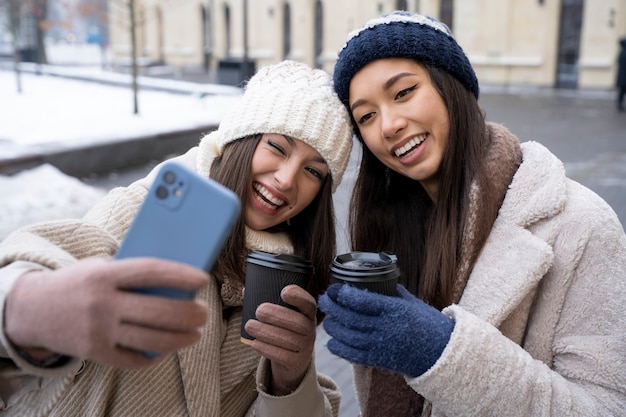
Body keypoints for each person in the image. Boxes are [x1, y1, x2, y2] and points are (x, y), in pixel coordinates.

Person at [0, 60, 353, 417]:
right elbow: (34, 256)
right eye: (277, 147)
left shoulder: (283, 280)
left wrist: (289, 382)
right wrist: (28, 307)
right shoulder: (149, 210)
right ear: (240, 140)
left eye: (313, 171)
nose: (287, 179)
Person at [318, 11, 626, 417]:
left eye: (404, 92)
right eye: (367, 116)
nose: (388, 125)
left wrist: (440, 352)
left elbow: (606, 407)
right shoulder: (391, 231)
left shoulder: (581, 224)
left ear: (452, 87)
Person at [617, 37, 626, 112]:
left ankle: (620, 105)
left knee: (622, 92)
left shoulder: (621, 52)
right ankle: (620, 105)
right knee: (622, 92)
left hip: (622, 76)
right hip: (624, 77)